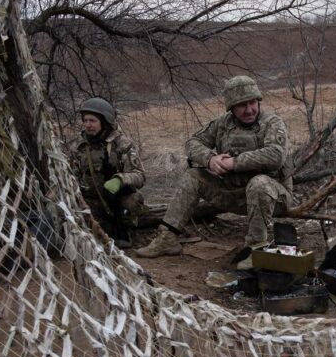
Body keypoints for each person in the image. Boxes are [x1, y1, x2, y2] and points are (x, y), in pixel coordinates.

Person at [136, 76, 293, 258]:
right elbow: (192, 143)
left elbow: (276, 156)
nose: (249, 110)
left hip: (274, 197)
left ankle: (255, 250)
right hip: (233, 193)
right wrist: (210, 159)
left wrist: (234, 163)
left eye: (252, 103)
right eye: (242, 105)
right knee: (193, 176)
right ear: (232, 108)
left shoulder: (272, 123)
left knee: (259, 183)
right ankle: (166, 239)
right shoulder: (223, 124)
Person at [74, 97, 146, 249]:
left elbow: (140, 175)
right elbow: (72, 175)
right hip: (92, 201)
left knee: (132, 200)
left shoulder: (122, 144)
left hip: (117, 201)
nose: (88, 125)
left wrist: (120, 180)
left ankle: (126, 230)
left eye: (92, 121)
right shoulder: (79, 147)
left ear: (105, 121)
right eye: (85, 120)